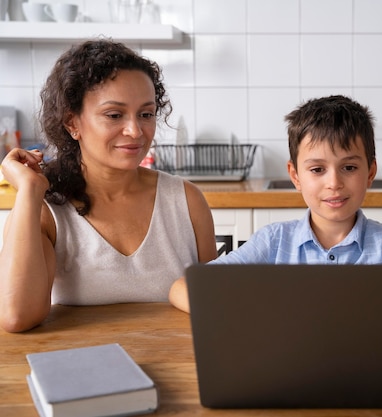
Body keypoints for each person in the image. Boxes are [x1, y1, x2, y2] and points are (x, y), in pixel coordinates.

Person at [0, 39, 218, 333]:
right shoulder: (45, 210)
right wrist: (28, 190)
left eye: (146, 114)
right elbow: (16, 317)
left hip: (180, 368)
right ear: (72, 123)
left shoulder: (186, 200)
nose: (135, 130)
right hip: (83, 371)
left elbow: (217, 306)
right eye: (114, 115)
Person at [169, 95, 382, 312]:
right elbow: (184, 288)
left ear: (371, 172)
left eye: (349, 167)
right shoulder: (273, 241)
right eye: (317, 169)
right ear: (295, 176)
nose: (334, 183)